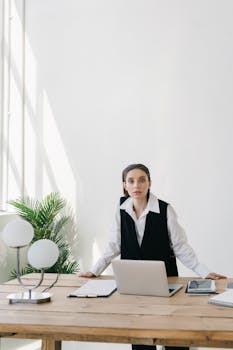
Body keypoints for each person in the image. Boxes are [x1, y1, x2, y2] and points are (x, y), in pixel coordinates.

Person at [79, 163, 226, 350]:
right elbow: (114, 244)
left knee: (174, 335)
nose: (136, 185)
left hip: (166, 283)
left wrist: (204, 272)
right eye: (131, 181)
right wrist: (94, 270)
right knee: (141, 337)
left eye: (142, 180)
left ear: (150, 183)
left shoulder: (165, 210)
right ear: (124, 185)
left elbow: (180, 247)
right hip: (135, 286)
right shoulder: (120, 209)